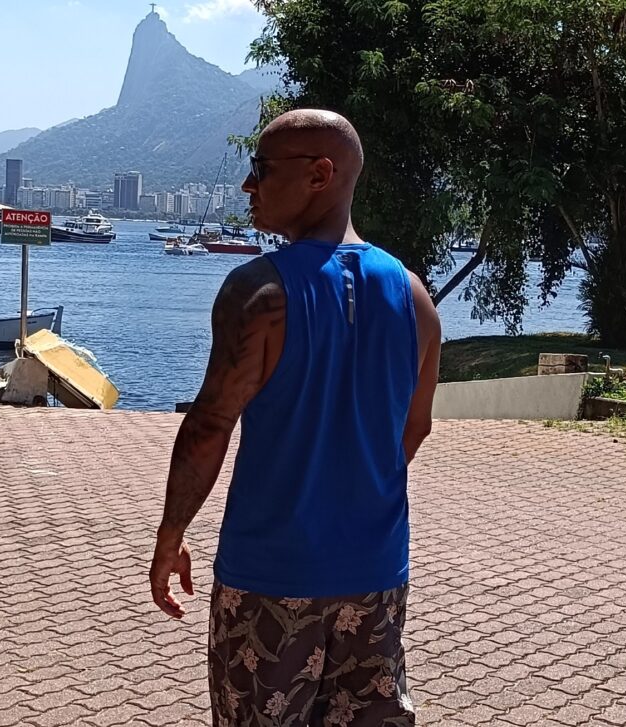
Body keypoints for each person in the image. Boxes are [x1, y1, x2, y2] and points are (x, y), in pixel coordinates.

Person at [149, 108, 441, 726]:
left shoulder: (258, 293)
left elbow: (209, 426)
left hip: (270, 575)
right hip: (376, 573)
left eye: (260, 169)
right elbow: (414, 429)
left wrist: (171, 535)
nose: (248, 185)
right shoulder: (415, 296)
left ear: (320, 175)